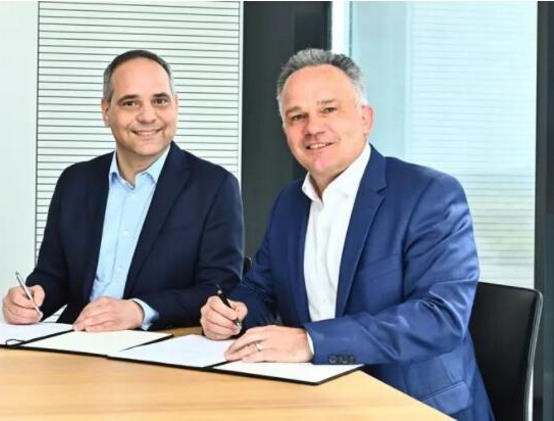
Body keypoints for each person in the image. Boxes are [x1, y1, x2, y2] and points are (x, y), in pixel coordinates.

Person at [200, 49, 492, 420]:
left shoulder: (430, 194)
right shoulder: (289, 203)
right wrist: (234, 312)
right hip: (316, 398)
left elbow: (439, 318)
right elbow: (260, 289)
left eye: (328, 109)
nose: (313, 128)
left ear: (365, 118)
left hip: (413, 406)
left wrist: (310, 342)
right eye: (297, 117)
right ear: (286, 131)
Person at [3, 49, 244, 332]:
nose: (148, 116)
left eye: (160, 101)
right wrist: (31, 298)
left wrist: (140, 310)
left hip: (160, 345)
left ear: (176, 106)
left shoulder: (215, 187)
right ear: (106, 111)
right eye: (131, 103)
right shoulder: (75, 182)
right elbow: (53, 275)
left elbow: (220, 289)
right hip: (76, 341)